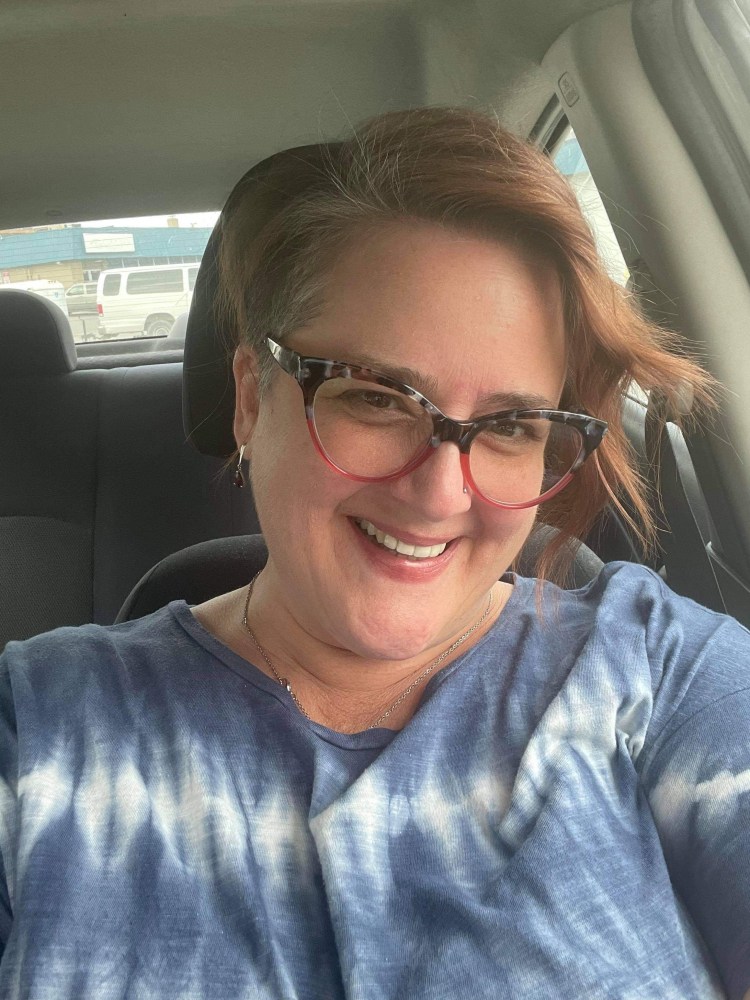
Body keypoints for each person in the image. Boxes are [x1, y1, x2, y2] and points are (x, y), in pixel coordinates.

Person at [0, 107, 747, 1000]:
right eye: (377, 398)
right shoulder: (37, 729)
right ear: (250, 399)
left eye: (510, 424)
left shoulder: (655, 671)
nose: (440, 492)